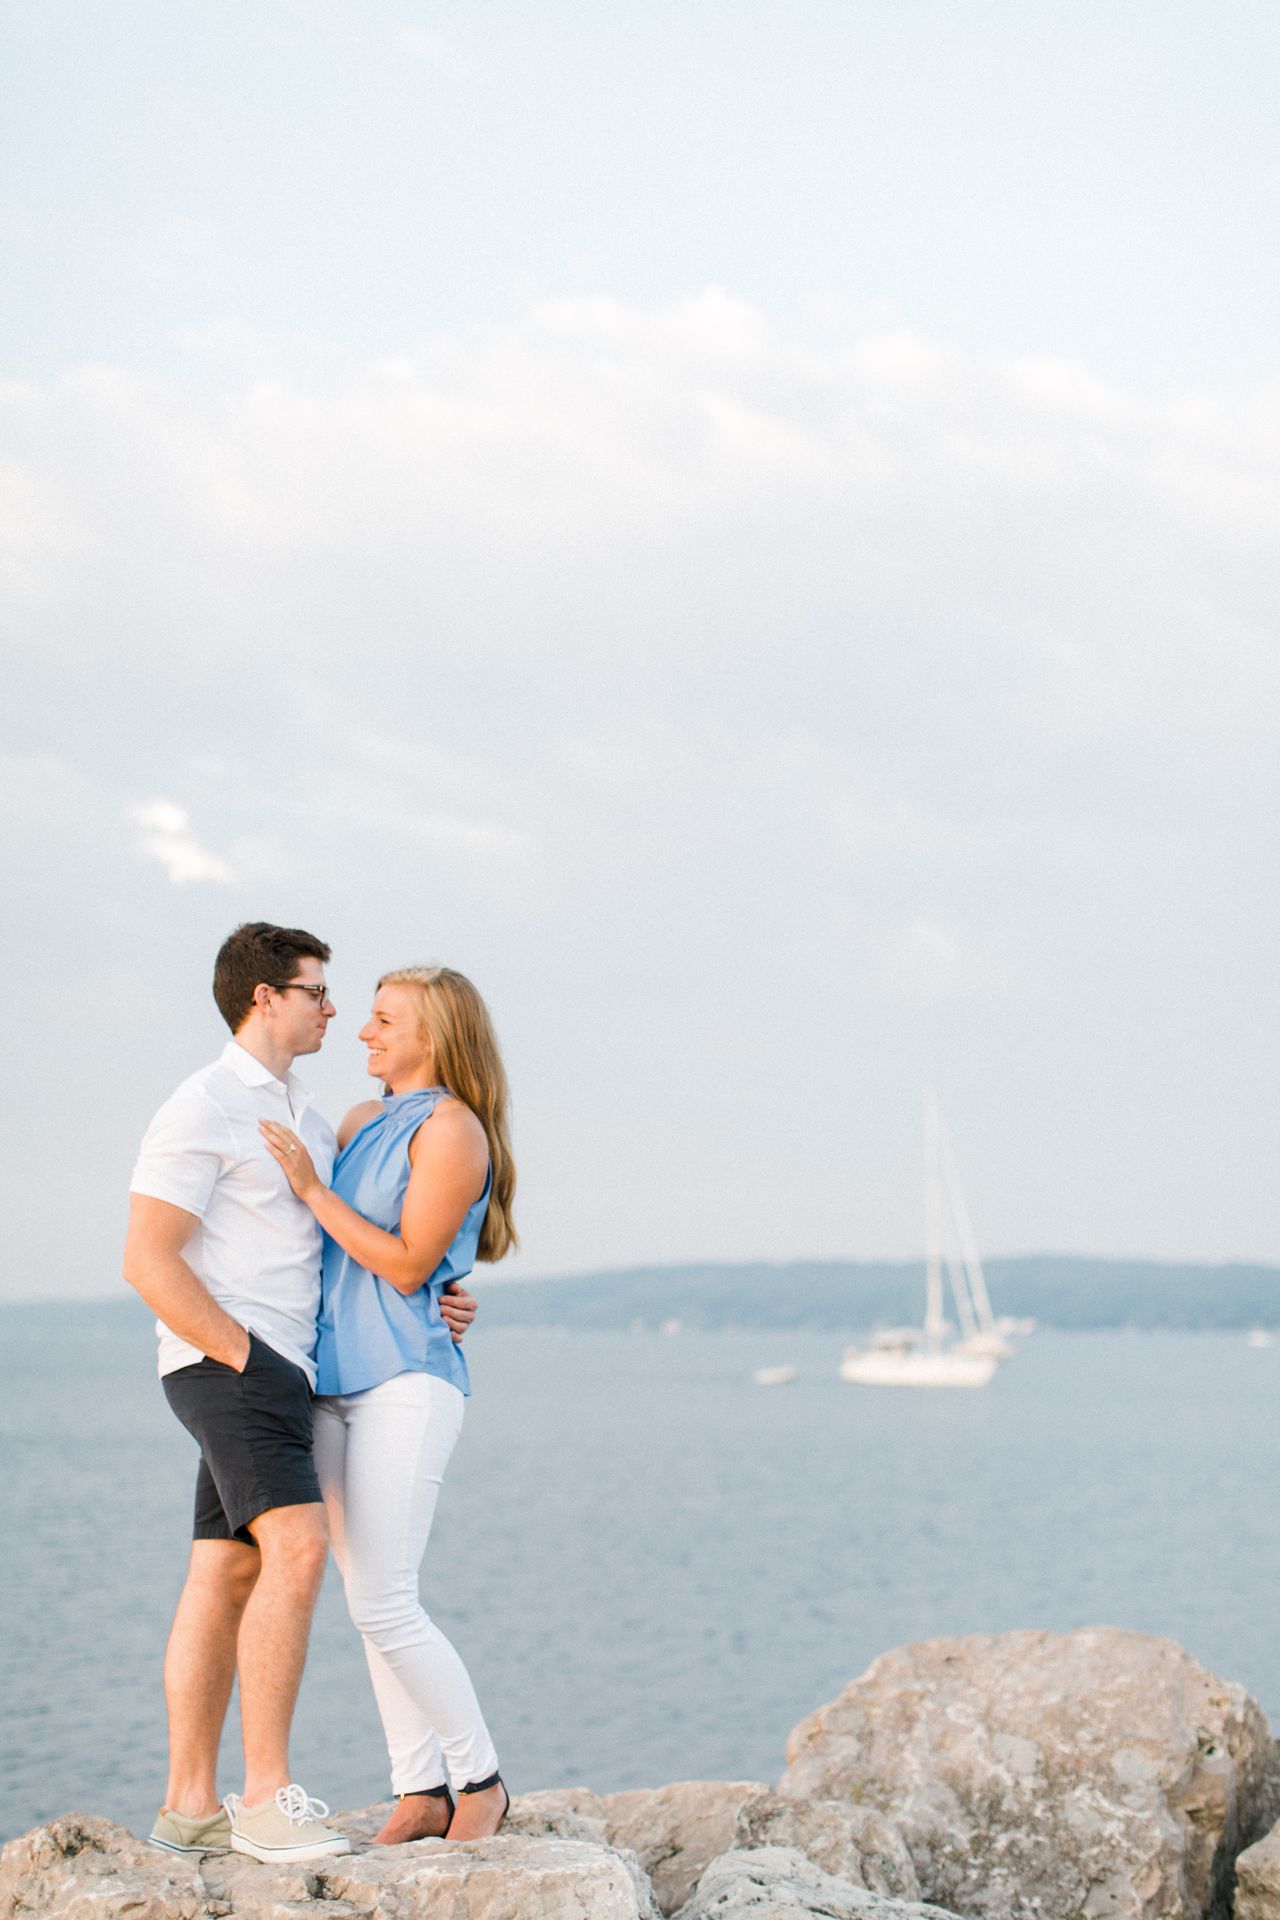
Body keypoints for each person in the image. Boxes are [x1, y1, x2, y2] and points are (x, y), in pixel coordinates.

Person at [122, 923, 479, 1863]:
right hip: (243, 1365)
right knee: (299, 1550)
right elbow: (145, 1260)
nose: (334, 1009)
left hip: (288, 1369)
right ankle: (268, 1799)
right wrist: (250, 1359)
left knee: (225, 1569)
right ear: (264, 998)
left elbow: (364, 1248)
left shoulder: (313, 1115)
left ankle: (190, 1807)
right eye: (318, 991)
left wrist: (442, 1289)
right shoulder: (201, 1106)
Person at [259, 964, 517, 1845]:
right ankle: (419, 1789)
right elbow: (328, 1252)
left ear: (433, 1035)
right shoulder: (364, 1120)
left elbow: (407, 1264)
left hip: (407, 1381)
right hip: (331, 1383)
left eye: (381, 1020)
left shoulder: (453, 1130)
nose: (362, 1032)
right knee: (365, 1590)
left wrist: (312, 1188)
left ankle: (479, 1779)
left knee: (386, 1601)